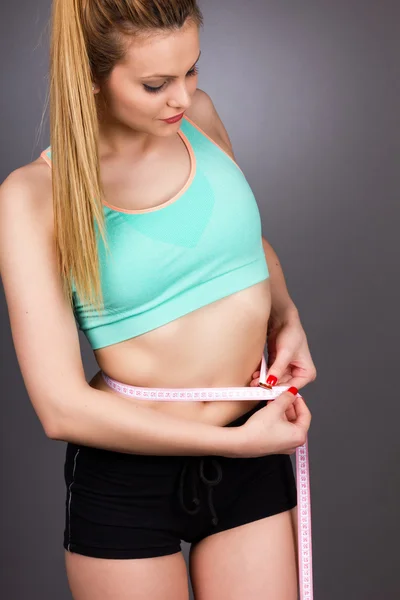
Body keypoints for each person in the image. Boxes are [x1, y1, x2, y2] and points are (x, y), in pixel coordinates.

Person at [0, 1, 315, 599]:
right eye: (155, 84)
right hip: (130, 477)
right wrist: (236, 442)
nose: (182, 97)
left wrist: (287, 315)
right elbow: (60, 408)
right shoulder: (34, 196)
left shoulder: (200, 117)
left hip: (251, 447)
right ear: (92, 76)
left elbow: (241, 242)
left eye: (192, 70)